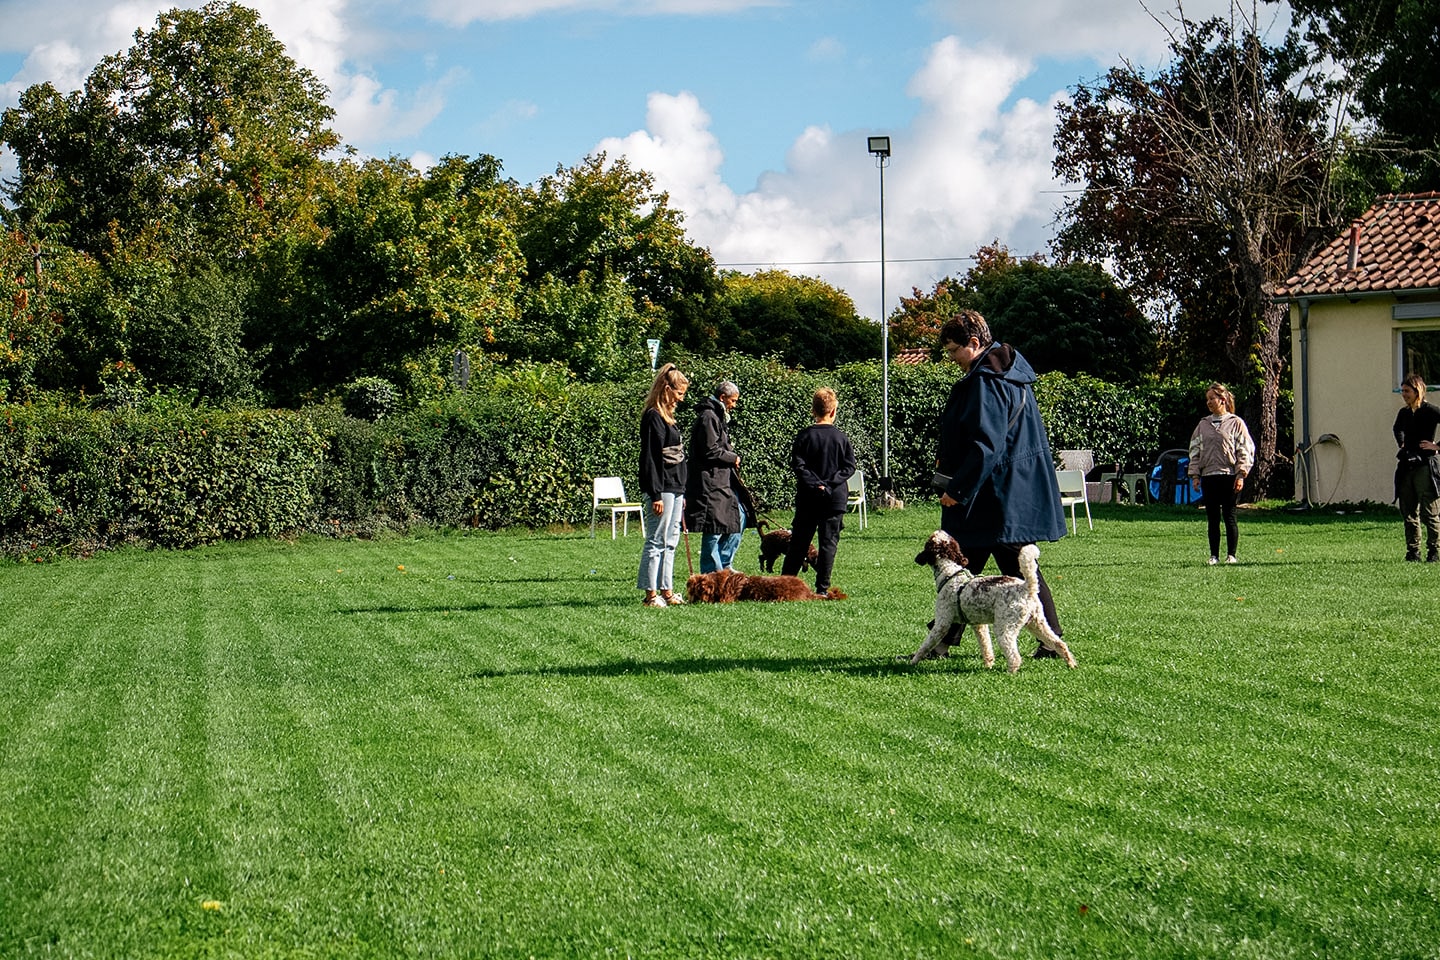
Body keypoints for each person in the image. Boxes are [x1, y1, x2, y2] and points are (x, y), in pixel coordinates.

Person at [935, 310, 1067, 654]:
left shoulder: (986, 381)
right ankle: (944, 640)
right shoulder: (1011, 375)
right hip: (1012, 490)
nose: (951, 359)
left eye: (953, 351)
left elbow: (986, 444)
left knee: (973, 565)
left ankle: (1050, 641)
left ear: (974, 343)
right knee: (973, 564)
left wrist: (956, 489)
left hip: (993, 495)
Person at [782, 387, 856, 595]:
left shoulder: (804, 436)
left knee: (799, 542)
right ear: (833, 412)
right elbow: (849, 466)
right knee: (828, 544)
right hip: (834, 498)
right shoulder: (841, 438)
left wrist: (815, 483)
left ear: (813, 411)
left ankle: (785, 584)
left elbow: (799, 465)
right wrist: (831, 483)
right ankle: (822, 588)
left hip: (808, 497)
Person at [637, 363, 690, 607]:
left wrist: (682, 491)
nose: (681, 399)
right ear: (667, 389)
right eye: (679, 393)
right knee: (656, 541)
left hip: (676, 487)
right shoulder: (653, 418)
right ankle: (650, 595)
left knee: (671, 541)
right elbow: (651, 458)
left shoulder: (669, 419)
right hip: (662, 488)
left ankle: (667, 591)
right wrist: (655, 494)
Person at [1187, 382, 1255, 565]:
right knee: (1213, 518)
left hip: (1229, 476)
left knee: (1229, 515)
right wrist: (1195, 475)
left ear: (1222, 399)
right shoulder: (1203, 425)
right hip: (1209, 477)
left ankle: (1231, 555)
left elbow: (1245, 449)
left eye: (1212, 398)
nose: (1209, 402)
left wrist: (1241, 474)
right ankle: (1214, 556)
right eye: (1207, 399)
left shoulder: (1235, 423)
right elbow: (1194, 451)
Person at [686, 380, 746, 573]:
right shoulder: (708, 417)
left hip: (721, 479)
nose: (734, 405)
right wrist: (733, 457)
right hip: (709, 481)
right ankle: (712, 572)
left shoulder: (716, 416)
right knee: (714, 527)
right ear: (722, 397)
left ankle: (725, 565)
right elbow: (710, 450)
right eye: (733, 401)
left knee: (740, 517)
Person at [1392, 373, 1440, 562]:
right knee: (1409, 511)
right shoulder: (1404, 413)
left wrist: (1437, 446)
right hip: (1406, 465)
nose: (1404, 394)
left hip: (1425, 466)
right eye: (1402, 391)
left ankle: (1434, 552)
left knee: (1430, 512)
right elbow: (1397, 428)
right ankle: (1413, 552)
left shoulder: (1429, 411)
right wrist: (1402, 443)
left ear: (1417, 390)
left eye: (1407, 391)